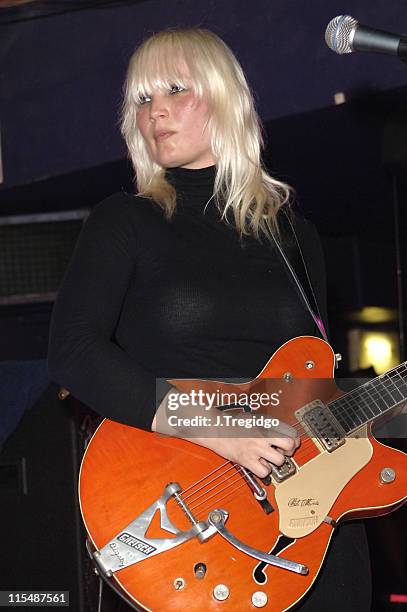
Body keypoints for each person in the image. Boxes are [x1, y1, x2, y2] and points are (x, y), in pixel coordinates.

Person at [48, 28, 371, 610]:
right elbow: (73, 351)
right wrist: (219, 427)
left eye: (175, 88)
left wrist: (372, 413)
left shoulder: (295, 236)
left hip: (308, 517)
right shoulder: (127, 222)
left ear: (226, 97)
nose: (156, 111)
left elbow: (312, 385)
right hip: (189, 510)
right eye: (142, 99)